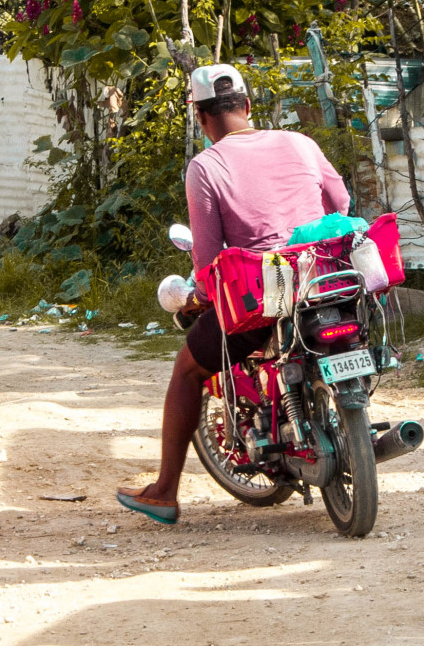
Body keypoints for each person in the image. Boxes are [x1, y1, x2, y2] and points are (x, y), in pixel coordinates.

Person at [116, 64, 350, 525]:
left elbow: (206, 264)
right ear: (247, 105)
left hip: (266, 295)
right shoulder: (301, 143)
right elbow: (341, 206)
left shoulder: (205, 167)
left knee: (187, 371)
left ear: (200, 117)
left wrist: (197, 297)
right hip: (327, 280)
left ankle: (164, 491)